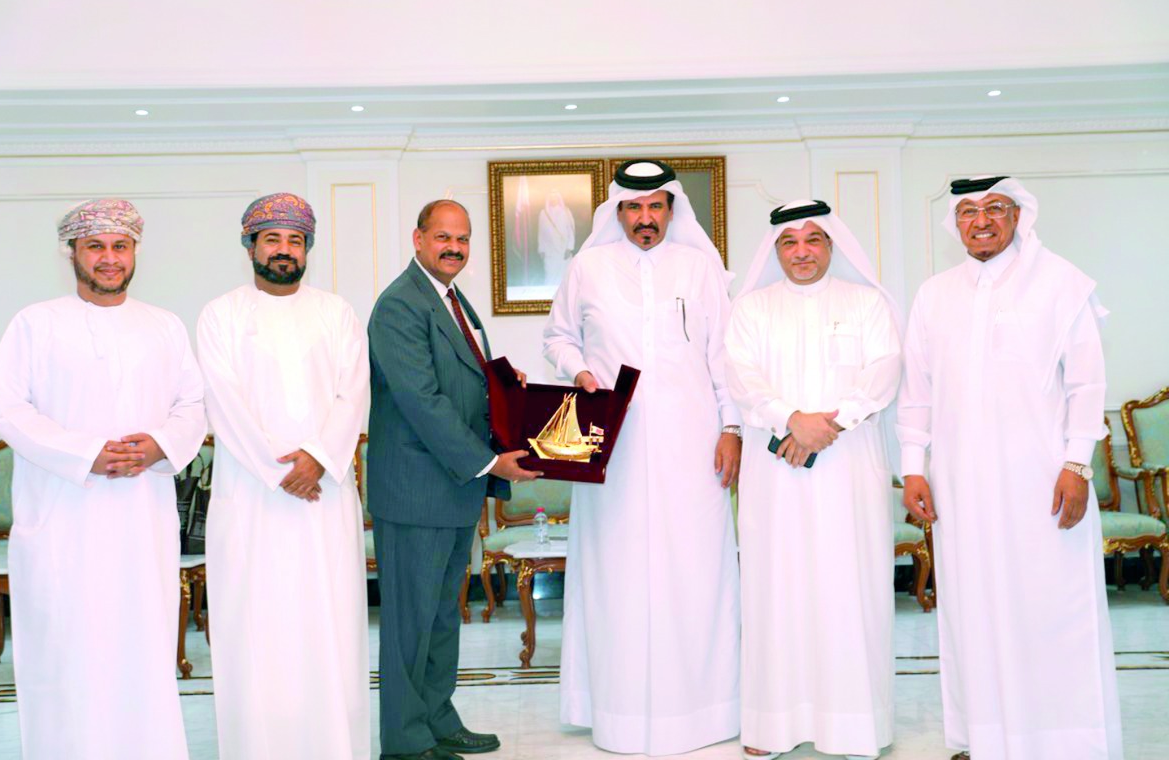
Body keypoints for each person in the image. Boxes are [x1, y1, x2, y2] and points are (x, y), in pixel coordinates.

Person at [897, 176, 1120, 760]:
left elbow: (1086, 385)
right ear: (956, 222)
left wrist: (1077, 464)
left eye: (995, 208)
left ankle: (1061, 742)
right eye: (969, 211)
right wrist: (912, 468)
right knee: (972, 610)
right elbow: (916, 391)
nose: (981, 220)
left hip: (1042, 481)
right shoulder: (934, 294)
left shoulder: (1061, 284)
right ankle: (985, 738)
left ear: (1019, 215)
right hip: (961, 485)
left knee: (1050, 608)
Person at [0, 199, 205, 760]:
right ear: (73, 254)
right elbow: (8, 409)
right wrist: (86, 453)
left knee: (138, 646)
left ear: (134, 253)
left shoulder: (164, 325)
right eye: (96, 247)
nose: (110, 258)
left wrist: (158, 444)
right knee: (66, 649)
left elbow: (193, 404)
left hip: (140, 518)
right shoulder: (35, 323)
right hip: (62, 517)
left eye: (120, 246)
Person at [544, 160, 742, 755]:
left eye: (656, 206)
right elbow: (557, 336)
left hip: (693, 445)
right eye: (634, 207)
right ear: (618, 212)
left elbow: (724, 355)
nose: (645, 218)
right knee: (615, 572)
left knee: (697, 570)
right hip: (612, 444)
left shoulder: (701, 268)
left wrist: (731, 426)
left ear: (672, 209)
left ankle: (705, 712)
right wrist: (578, 371)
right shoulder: (588, 267)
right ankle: (616, 710)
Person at [197, 193, 373, 760]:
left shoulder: (336, 312)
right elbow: (223, 402)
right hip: (251, 496)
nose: (284, 250)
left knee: (328, 620)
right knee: (256, 623)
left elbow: (354, 392)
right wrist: (282, 471)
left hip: (323, 496)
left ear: (307, 249)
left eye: (295, 240)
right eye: (272, 239)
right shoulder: (221, 314)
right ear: (250, 245)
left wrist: (318, 457)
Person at [726, 201, 902, 760]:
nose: (801, 252)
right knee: (775, 588)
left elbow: (884, 370)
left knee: (849, 587)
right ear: (775, 250)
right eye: (789, 243)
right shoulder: (751, 309)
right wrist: (790, 420)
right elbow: (741, 376)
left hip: (848, 470)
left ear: (832, 246)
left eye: (813, 241)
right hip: (774, 472)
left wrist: (831, 423)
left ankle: (855, 727)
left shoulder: (868, 303)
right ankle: (772, 725)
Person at [366, 199, 538, 760]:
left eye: (462, 239)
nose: (454, 248)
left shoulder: (453, 300)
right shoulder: (399, 305)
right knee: (410, 627)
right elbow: (423, 401)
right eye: (443, 237)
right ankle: (406, 742)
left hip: (450, 492)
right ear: (417, 239)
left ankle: (436, 719)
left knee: (442, 620)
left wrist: (509, 391)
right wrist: (490, 463)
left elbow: (466, 382)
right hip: (417, 491)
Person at [537, 189, 576, 283]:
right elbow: (541, 233)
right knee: (550, 275)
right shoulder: (543, 213)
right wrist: (541, 249)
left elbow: (571, 231)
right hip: (549, 251)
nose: (553, 199)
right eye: (551, 197)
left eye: (555, 197)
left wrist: (569, 248)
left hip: (563, 250)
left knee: (564, 276)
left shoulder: (566, 211)